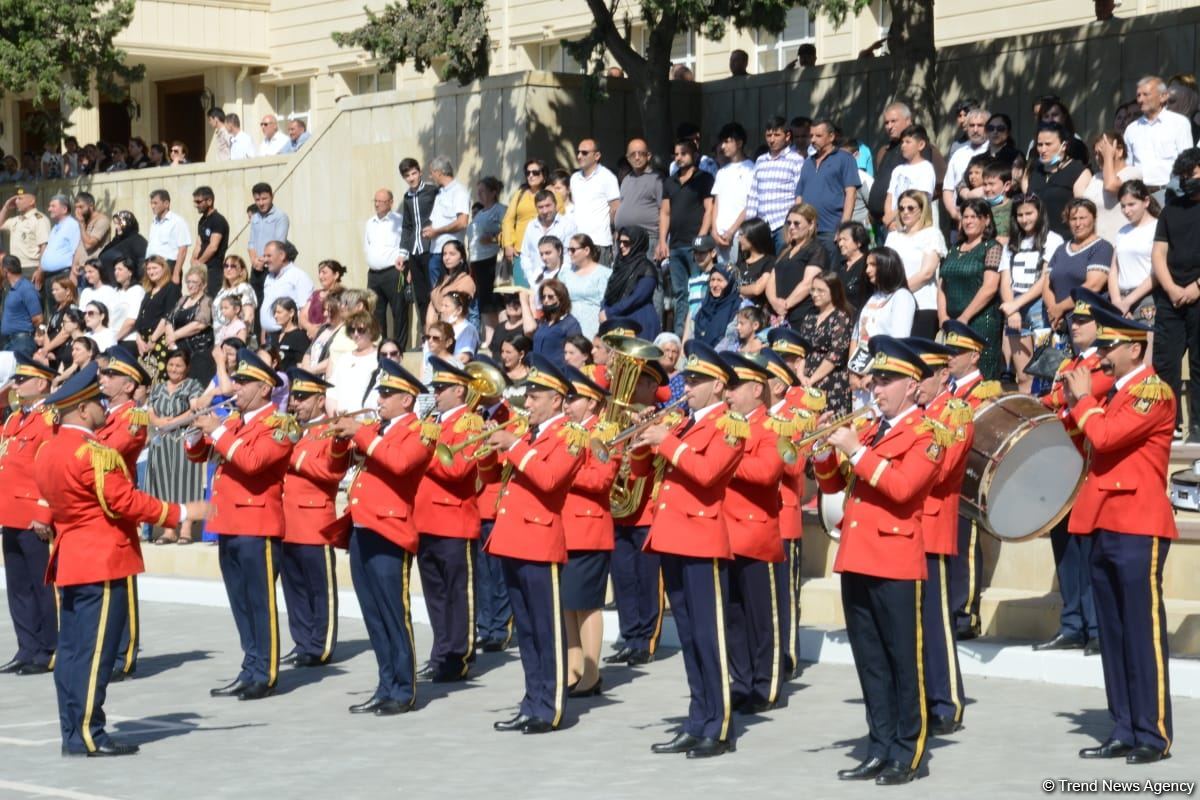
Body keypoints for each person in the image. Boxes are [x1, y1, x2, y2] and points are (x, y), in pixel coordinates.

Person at [34, 363, 207, 757]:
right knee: (96, 653)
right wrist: (180, 512)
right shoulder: (95, 454)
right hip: (102, 558)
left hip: (72, 557)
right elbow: (125, 501)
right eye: (94, 402)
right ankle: (88, 734)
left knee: (74, 651)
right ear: (81, 410)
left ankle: (72, 730)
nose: (101, 406)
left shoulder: (48, 449)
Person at [814, 335, 943, 785]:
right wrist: (825, 453)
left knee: (903, 661)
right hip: (858, 555)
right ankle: (879, 744)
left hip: (895, 559)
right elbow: (835, 486)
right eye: (876, 379)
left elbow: (903, 488)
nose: (877, 387)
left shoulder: (928, 434)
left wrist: (855, 450)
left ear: (911, 385)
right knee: (869, 660)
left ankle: (908, 752)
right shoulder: (869, 431)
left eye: (887, 380)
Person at [1062, 305, 1175, 765]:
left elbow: (1107, 438)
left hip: (1138, 522)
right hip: (1103, 518)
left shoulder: (1154, 391)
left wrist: (1085, 399)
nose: (1103, 356)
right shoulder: (1111, 394)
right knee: (1111, 633)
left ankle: (1153, 733)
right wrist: (1075, 401)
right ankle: (1124, 726)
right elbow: (1083, 439)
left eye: (1111, 348)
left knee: (1141, 632)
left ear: (1134, 348)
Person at [635, 341, 746, 759]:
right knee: (688, 637)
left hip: (702, 541)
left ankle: (718, 726)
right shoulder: (679, 423)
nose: (689, 385)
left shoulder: (731, 426)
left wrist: (665, 440)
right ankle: (697, 718)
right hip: (671, 538)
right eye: (689, 378)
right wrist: (643, 445)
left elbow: (706, 473)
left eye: (698, 380)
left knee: (708, 637)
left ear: (719, 386)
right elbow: (648, 472)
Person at [480, 354, 586, 733]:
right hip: (511, 539)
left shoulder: (570, 436)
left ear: (557, 399)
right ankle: (531, 701)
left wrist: (513, 445)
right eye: (528, 394)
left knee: (546, 629)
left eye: (536, 396)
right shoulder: (528, 434)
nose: (529, 402)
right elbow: (498, 478)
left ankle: (551, 707)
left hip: (540, 540)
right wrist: (492, 453)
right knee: (526, 630)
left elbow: (550, 479)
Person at [185, 348, 296, 701]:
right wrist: (194, 431)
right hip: (229, 522)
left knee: (259, 602)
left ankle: (265, 673)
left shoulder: (278, 425)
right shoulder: (233, 422)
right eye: (239, 379)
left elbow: (252, 462)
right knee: (240, 602)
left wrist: (217, 431)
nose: (238, 386)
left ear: (265, 389)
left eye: (245, 382)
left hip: (258, 525)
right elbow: (199, 454)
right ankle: (250, 666)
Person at [328, 358, 436, 716]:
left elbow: (400, 463)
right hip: (362, 527)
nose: (381, 398)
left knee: (393, 613)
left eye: (388, 393)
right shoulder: (378, 429)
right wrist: (340, 437)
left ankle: (403, 689)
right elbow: (344, 461)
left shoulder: (419, 431)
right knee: (373, 614)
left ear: (407, 399)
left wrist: (359, 431)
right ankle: (385, 683)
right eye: (381, 391)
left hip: (391, 529)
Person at [1035, 289, 1114, 655]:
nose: (1075, 324)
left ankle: (1097, 625)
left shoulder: (1104, 363)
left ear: (1100, 325)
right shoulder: (1067, 364)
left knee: (1088, 548)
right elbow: (1052, 400)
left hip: (1086, 464)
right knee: (1064, 544)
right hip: (1060, 466)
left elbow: (1086, 395)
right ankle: (1072, 622)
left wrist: (1058, 400)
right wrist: (1058, 399)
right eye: (1074, 319)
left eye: (1083, 320)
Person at [908, 337, 972, 736]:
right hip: (907, 529)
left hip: (933, 526)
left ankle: (947, 701)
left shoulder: (955, 413)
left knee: (936, 622)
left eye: (923, 376)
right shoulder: (913, 414)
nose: (916, 383)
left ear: (942, 375)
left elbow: (942, 468)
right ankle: (922, 697)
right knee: (913, 623)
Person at [718, 352, 785, 715]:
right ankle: (741, 681)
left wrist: (721, 456)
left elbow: (766, 472)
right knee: (734, 617)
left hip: (756, 535)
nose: (727, 394)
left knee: (762, 618)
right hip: (725, 532)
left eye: (734, 386)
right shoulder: (726, 425)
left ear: (757, 389)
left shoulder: (773, 427)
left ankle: (765, 684)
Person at [413, 357, 485, 683]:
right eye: (435, 387)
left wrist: (424, 453)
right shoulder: (433, 421)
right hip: (426, 518)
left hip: (454, 520)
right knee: (436, 595)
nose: (437, 394)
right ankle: (440, 652)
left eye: (442, 388)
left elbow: (458, 469)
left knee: (458, 593)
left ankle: (458, 655)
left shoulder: (470, 423)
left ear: (459, 390)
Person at [280, 368, 350, 668]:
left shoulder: (331, 431)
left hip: (314, 521)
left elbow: (331, 471)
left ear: (320, 400)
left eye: (303, 397)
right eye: (294, 396)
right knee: (294, 589)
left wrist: (292, 456)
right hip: (286, 520)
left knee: (320, 590)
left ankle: (321, 645)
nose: (296, 402)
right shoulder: (293, 428)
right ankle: (302, 642)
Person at [94, 345, 152, 678]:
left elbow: (109, 451)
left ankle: (124, 655)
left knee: (122, 582)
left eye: (112, 375)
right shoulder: (104, 415)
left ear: (129, 385)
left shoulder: (133, 417)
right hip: (98, 504)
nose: (104, 378)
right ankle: (108, 651)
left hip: (119, 505)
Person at [0, 354, 58, 677]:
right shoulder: (12, 420)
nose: (17, 385)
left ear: (42, 383)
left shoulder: (49, 419)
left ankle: (48, 648)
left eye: (23, 380)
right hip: (9, 511)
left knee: (40, 585)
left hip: (33, 514)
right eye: (16, 379)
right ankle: (27, 646)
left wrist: (43, 512)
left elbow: (50, 471)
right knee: (18, 585)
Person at [1151, 148, 1200, 441]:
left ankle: (1197, 428)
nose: (1187, 180)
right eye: (1183, 175)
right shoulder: (1171, 210)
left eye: (1192, 174)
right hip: (1171, 297)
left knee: (1198, 365)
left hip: (1197, 295)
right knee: (1165, 364)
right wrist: (1171, 287)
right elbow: (1159, 252)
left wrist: (1196, 287)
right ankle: (1164, 425)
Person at [999, 194, 1063, 393]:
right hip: (1015, 308)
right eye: (1020, 215)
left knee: (1045, 373)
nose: (1024, 219)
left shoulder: (1052, 239)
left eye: (1029, 213)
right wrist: (1012, 311)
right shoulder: (1011, 243)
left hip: (1040, 308)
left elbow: (1044, 279)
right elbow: (1005, 279)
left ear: (1039, 213)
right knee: (1023, 375)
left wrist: (1015, 305)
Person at [146, 350, 207, 545]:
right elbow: (151, 412)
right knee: (164, 483)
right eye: (171, 365)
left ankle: (187, 528)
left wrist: (173, 421)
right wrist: (159, 421)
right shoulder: (157, 388)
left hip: (182, 438)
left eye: (179, 365)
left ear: (187, 367)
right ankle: (169, 529)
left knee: (186, 482)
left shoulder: (192, 385)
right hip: (162, 440)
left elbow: (194, 408)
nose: (174, 369)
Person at [939, 199, 1004, 379]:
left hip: (980, 322)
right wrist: (943, 317)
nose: (968, 221)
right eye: (965, 217)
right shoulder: (954, 249)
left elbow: (990, 287)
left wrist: (964, 318)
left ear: (987, 220)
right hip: (953, 324)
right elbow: (942, 284)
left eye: (974, 217)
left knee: (980, 376)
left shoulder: (991, 248)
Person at [658, 138, 716, 337]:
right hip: (675, 246)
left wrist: (701, 237)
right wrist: (661, 241)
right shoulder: (670, 181)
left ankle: (699, 332)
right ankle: (680, 335)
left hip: (695, 246)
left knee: (699, 289)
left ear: (694, 154)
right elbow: (665, 213)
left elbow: (709, 209)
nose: (679, 158)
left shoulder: (705, 178)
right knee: (679, 293)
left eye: (684, 153)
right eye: (676, 154)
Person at [1043, 199, 1114, 334]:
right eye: (1073, 219)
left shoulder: (1102, 247)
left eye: (1083, 218)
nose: (1078, 223)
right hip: (1059, 322)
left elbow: (1093, 285)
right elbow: (1047, 284)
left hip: (1088, 322)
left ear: (1094, 218)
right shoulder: (1060, 249)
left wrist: (1061, 308)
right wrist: (1053, 311)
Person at [1108, 181, 1160, 355]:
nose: (1127, 210)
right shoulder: (1122, 231)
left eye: (1132, 204)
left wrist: (1129, 301)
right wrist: (1117, 301)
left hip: (1146, 299)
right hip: (1120, 301)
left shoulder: (1157, 228)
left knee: (1146, 358)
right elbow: (1114, 269)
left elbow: (1157, 273)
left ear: (1145, 201)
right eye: (1123, 206)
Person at [886, 189, 946, 338]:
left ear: (922, 210)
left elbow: (926, 273)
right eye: (901, 208)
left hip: (922, 305)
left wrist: (898, 292)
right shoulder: (893, 237)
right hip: (893, 305)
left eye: (911, 208)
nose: (905, 212)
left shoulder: (931, 234)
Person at [1123, 76, 1194, 202]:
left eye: (1146, 94)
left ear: (1163, 96)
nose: (1140, 99)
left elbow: (1188, 162)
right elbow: (1128, 166)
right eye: (1138, 95)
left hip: (1170, 193)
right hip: (1140, 195)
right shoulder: (1131, 129)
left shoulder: (1179, 123)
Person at [795, 120, 861, 251]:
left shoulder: (845, 158)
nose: (813, 140)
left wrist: (843, 227)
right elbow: (799, 197)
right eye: (811, 135)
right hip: (807, 231)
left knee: (831, 271)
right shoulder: (808, 163)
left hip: (831, 230)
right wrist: (796, 224)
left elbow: (851, 194)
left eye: (818, 136)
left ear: (831, 137)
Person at [1023, 122, 1093, 240]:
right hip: (1036, 241)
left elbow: (1082, 212)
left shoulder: (1078, 171)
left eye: (1048, 144)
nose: (1043, 149)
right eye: (1040, 144)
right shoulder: (1033, 171)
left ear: (1064, 146)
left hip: (1065, 241)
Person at [798, 271, 854, 416]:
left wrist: (813, 379)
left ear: (834, 292)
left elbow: (836, 354)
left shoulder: (841, 317)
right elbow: (801, 351)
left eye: (820, 290)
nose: (815, 294)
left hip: (831, 380)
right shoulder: (809, 318)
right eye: (813, 289)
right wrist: (801, 375)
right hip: (806, 380)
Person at [852, 247, 916, 372]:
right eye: (867, 265)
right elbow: (856, 335)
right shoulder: (872, 297)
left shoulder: (902, 296)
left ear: (887, 266)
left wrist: (876, 375)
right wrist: (853, 373)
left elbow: (899, 342)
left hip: (882, 373)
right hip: (860, 370)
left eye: (873, 265)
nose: (867, 270)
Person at [746, 116, 805, 250]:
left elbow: (799, 195)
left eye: (777, 135)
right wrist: (749, 225)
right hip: (761, 226)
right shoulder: (760, 160)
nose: (772, 140)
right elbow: (754, 194)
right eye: (769, 135)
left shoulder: (796, 160)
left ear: (787, 136)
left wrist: (794, 224)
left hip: (783, 224)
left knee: (783, 266)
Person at [766, 203, 828, 327]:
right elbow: (771, 279)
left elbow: (808, 283)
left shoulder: (816, 249)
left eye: (797, 223)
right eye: (789, 223)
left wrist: (785, 306)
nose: (791, 227)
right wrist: (774, 302)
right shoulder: (785, 250)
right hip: (776, 315)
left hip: (801, 315)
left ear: (811, 225)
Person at [501, 158, 558, 287]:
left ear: (544, 175)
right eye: (528, 173)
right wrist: (508, 244)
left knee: (545, 291)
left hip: (546, 251)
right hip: (521, 251)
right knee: (523, 292)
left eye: (535, 172)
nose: (531, 175)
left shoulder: (552, 194)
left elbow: (561, 218)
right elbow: (508, 219)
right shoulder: (520, 194)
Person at [601, 227, 660, 340]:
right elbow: (609, 292)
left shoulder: (646, 268)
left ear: (637, 243)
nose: (621, 246)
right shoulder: (619, 266)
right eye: (620, 242)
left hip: (640, 323)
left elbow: (637, 298)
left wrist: (609, 312)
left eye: (626, 243)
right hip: (618, 322)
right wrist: (603, 309)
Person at [1085, 132, 1143, 244]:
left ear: (1120, 151)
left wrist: (1108, 157)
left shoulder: (1132, 173)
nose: (1098, 157)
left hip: (1119, 244)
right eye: (1096, 153)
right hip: (1096, 245)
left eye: (1103, 152)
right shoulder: (1096, 178)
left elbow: (1110, 186)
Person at [570, 139, 621, 263]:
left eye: (584, 152)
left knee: (600, 281)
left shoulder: (607, 177)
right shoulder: (574, 178)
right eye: (578, 152)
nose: (579, 156)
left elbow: (616, 208)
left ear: (597, 156)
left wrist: (614, 231)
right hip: (577, 242)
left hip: (599, 242)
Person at [711, 123, 755, 265]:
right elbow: (716, 203)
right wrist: (714, 231)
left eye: (727, 141)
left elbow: (750, 204)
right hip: (719, 237)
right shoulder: (721, 172)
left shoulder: (752, 169)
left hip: (739, 236)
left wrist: (731, 232)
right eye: (722, 142)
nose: (723, 147)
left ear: (740, 143)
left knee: (739, 280)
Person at [165, 266, 216, 385]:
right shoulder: (183, 299)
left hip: (198, 353)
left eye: (194, 282)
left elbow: (199, 324)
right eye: (188, 281)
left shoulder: (206, 301)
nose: (190, 285)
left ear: (203, 285)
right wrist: (170, 339)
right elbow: (169, 320)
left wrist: (175, 335)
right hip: (180, 352)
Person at [942, 108, 991, 224]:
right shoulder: (958, 154)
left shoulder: (994, 151)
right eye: (971, 125)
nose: (975, 129)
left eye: (980, 125)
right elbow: (948, 188)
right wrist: (954, 213)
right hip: (960, 219)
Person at [883, 124, 936, 230]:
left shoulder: (926, 168)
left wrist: (892, 216)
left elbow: (920, 200)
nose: (903, 146)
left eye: (908, 142)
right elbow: (890, 196)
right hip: (894, 226)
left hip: (915, 227)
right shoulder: (897, 170)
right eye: (902, 142)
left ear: (920, 145)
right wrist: (889, 220)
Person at [559, 234, 612, 340]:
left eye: (573, 250)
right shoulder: (566, 272)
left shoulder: (604, 273)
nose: (569, 253)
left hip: (592, 325)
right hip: (568, 323)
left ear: (586, 250)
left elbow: (606, 302)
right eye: (568, 249)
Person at [327, 312, 381, 415]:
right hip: (341, 420)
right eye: (352, 330)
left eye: (360, 330)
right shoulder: (344, 358)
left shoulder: (379, 357)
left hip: (367, 421)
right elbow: (332, 392)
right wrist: (334, 418)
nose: (356, 334)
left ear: (371, 331)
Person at [468, 177, 506, 323]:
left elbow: (508, 232)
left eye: (483, 191)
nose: (479, 195)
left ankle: (502, 332)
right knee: (485, 303)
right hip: (478, 261)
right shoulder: (479, 213)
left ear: (493, 192)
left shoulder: (500, 210)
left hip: (492, 259)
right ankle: (489, 337)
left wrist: (492, 239)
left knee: (496, 300)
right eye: (478, 192)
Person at [614, 139, 664, 247]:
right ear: (628, 158)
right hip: (623, 238)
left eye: (640, 153)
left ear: (648, 156)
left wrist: (662, 242)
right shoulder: (626, 179)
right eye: (632, 154)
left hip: (647, 239)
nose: (637, 157)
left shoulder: (657, 179)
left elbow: (664, 211)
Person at [247, 183, 290, 306]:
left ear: (272, 197)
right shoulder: (254, 218)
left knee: (272, 304)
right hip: (256, 268)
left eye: (264, 199)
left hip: (273, 268)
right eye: (257, 200)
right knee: (255, 304)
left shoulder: (281, 217)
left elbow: (279, 245)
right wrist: (254, 261)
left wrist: (263, 261)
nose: (261, 203)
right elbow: (251, 243)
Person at [145, 190, 191, 282]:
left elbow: (183, 250)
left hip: (168, 267)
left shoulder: (177, 222)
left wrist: (176, 273)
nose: (152, 206)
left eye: (155, 203)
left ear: (166, 204)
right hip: (152, 267)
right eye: (151, 203)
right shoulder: (154, 223)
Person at [191, 186, 229, 297]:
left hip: (213, 270)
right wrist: (193, 259)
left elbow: (213, 246)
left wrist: (199, 263)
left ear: (209, 201)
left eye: (199, 202)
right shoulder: (202, 220)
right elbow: (199, 243)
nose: (196, 205)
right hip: (201, 269)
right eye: (195, 202)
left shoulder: (218, 220)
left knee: (212, 299)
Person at [1, 256, 42, 356]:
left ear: (5, 270)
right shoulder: (12, 289)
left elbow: (38, 318)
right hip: (10, 342)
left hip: (22, 342)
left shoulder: (26, 288)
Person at [692, 263, 740, 347]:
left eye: (719, 280)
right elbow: (690, 335)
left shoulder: (737, 307)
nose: (714, 285)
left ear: (730, 283)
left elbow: (730, 339)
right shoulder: (703, 305)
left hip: (720, 357)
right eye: (712, 280)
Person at [833, 221, 872, 317]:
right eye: (839, 240)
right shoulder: (839, 266)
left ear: (858, 242)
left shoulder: (868, 264)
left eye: (845, 239)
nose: (840, 244)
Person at [300, 259, 346, 338]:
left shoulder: (342, 294)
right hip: (311, 337)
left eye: (324, 273)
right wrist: (310, 328)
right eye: (319, 273)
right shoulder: (316, 294)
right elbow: (302, 316)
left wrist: (320, 331)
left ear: (336, 275)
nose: (320, 276)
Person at [97, 211, 147, 277]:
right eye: (115, 224)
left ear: (128, 223)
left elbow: (141, 266)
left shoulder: (138, 241)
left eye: (119, 224)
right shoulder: (116, 241)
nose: (117, 227)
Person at [267, 297, 310, 372]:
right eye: (274, 313)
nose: (275, 316)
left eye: (279, 312)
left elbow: (301, 366)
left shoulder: (300, 336)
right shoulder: (274, 335)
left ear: (291, 313)